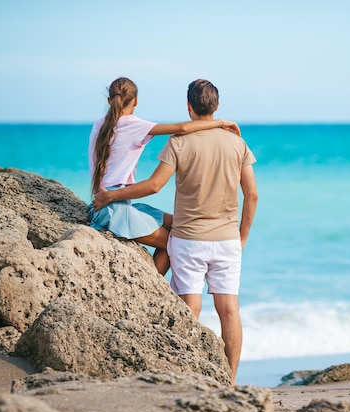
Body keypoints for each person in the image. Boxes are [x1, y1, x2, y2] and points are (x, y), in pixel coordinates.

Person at [93, 79, 258, 385]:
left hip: (189, 240)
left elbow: (156, 184)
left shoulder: (177, 142)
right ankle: (231, 382)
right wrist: (242, 237)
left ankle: (185, 372)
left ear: (188, 106)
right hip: (226, 241)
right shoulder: (238, 143)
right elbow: (252, 195)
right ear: (217, 106)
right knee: (229, 310)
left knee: (189, 304)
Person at [88, 77, 240, 275]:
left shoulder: (99, 125)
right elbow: (182, 128)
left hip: (110, 204)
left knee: (178, 223)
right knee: (172, 243)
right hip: (114, 208)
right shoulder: (132, 124)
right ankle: (149, 291)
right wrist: (219, 122)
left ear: (110, 101)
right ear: (135, 101)